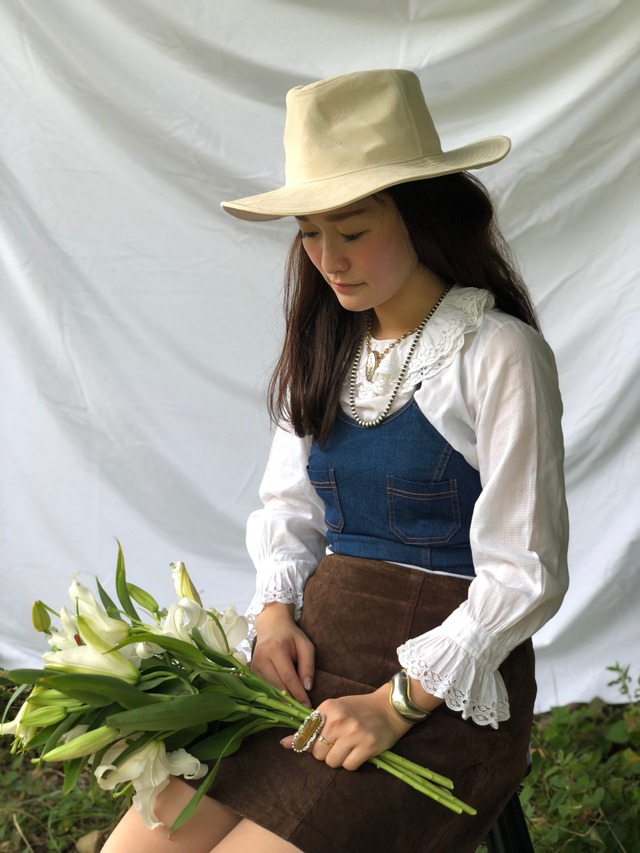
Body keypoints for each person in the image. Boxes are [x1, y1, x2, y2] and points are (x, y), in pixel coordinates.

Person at [103, 69, 569, 853]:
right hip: (316, 656)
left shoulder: (497, 353)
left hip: (444, 685)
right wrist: (276, 614)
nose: (328, 259)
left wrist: (396, 703)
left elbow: (525, 571)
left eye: (352, 231)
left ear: (423, 218)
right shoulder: (328, 346)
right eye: (310, 233)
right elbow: (289, 508)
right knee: (140, 845)